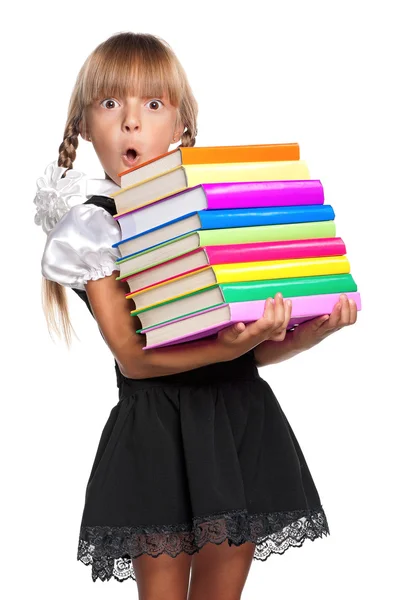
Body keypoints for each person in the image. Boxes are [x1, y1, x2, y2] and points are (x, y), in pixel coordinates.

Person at [34, 31, 358, 598]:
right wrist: (234, 347)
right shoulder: (95, 226)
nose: (131, 122)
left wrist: (311, 332)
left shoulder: (210, 207)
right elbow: (135, 361)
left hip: (238, 424)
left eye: (152, 105)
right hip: (158, 433)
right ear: (83, 125)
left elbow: (247, 346)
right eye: (111, 104)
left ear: (181, 123)